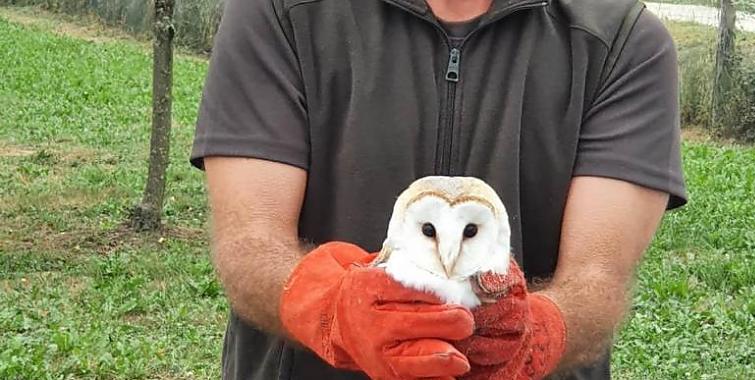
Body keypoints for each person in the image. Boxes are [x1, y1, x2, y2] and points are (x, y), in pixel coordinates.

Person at [190, 0, 687, 378]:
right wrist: (328, 307)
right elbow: (250, 242)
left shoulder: (622, 40)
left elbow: (597, 278)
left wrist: (539, 333)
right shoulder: (280, 12)